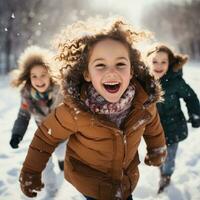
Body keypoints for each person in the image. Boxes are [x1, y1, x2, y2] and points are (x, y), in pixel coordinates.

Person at [19, 17, 167, 200]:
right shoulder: (75, 111)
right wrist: (31, 171)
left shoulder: (143, 102)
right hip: (91, 183)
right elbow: (45, 137)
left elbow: (153, 127)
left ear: (132, 71)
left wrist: (157, 148)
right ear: (87, 74)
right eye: (100, 65)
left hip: (126, 180)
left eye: (120, 64)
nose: (111, 72)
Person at [9, 45, 66, 197]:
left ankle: (62, 161)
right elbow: (23, 116)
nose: (39, 80)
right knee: (45, 164)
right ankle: (52, 191)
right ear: (29, 77)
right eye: (34, 76)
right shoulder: (27, 95)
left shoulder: (61, 91)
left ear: (50, 75)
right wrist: (17, 134)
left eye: (43, 75)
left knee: (63, 154)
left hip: (64, 136)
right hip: (45, 136)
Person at [146, 43, 200, 193]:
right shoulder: (144, 82)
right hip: (153, 130)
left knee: (169, 157)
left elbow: (191, 97)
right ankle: (161, 168)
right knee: (157, 154)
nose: (159, 65)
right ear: (148, 62)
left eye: (164, 61)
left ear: (169, 63)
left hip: (173, 127)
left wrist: (196, 114)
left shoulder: (175, 81)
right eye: (155, 61)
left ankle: (166, 175)